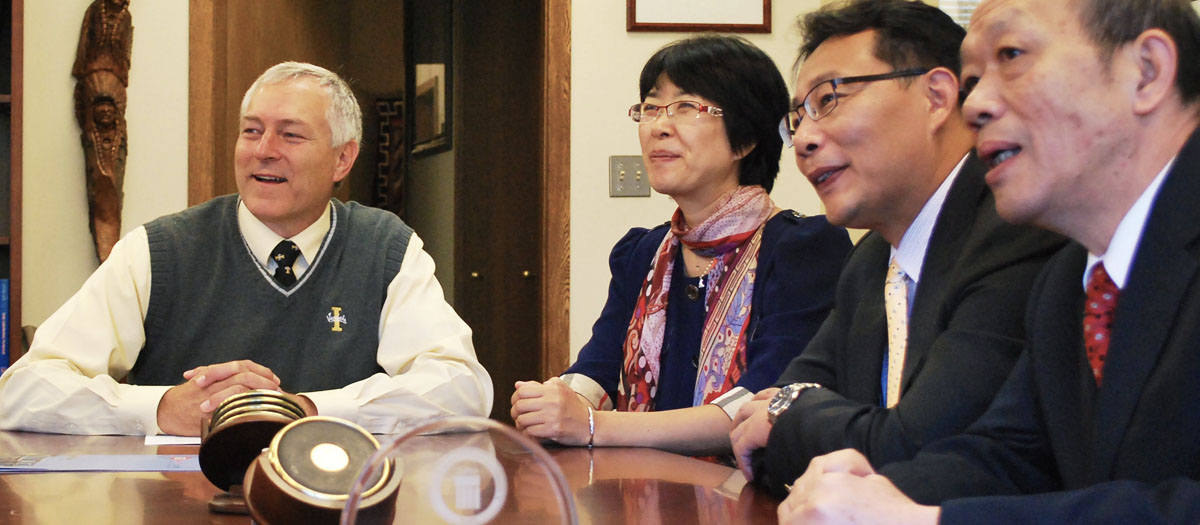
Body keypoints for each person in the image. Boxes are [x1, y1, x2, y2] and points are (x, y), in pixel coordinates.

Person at [776, 0, 1200, 523]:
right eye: (973, 78)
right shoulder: (1071, 279)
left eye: (1013, 55)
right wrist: (850, 493)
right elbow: (1009, 458)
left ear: (1147, 71)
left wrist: (927, 520)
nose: (973, 104)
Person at [0, 62, 493, 436]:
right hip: (177, 504)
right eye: (252, 130)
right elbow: (22, 391)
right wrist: (157, 409)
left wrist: (308, 410)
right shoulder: (159, 250)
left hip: (329, 500)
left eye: (291, 134)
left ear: (343, 158)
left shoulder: (386, 248)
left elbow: (461, 387)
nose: (263, 150)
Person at [728, 0, 1065, 493]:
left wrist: (795, 413)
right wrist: (798, 413)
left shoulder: (1012, 231)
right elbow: (758, 434)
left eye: (829, 100)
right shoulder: (869, 260)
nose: (804, 140)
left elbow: (922, 449)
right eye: (797, 119)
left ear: (936, 97)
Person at [510, 35, 853, 455]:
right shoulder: (641, 253)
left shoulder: (803, 249)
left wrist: (592, 424)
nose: (659, 126)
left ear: (745, 140)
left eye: (687, 107)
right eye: (651, 108)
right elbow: (595, 371)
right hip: (643, 498)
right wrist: (555, 401)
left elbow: (758, 404)